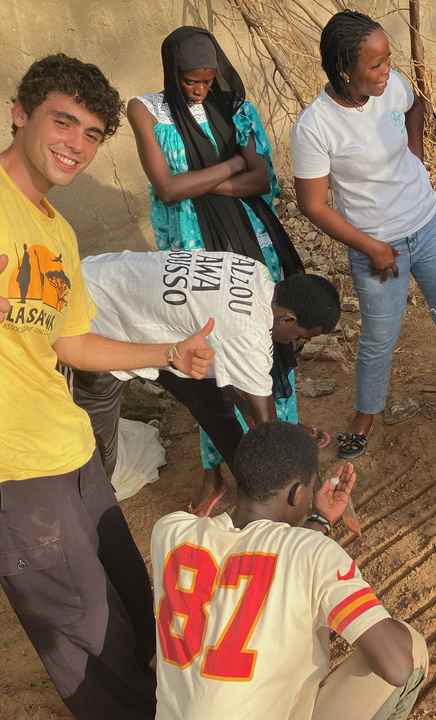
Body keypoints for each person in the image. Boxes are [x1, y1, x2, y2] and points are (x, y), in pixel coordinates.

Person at [0, 55, 218, 719]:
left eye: (92, 135)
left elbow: (74, 343)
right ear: (20, 114)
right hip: (0, 466)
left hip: (69, 449)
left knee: (135, 610)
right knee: (88, 633)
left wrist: (167, 352)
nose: (78, 145)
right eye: (64, 122)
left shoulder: (55, 230)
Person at [292, 10, 436, 459]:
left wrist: (416, 155)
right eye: (376, 65)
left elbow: (414, 103)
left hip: (430, 224)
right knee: (380, 337)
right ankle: (366, 413)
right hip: (378, 248)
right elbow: (312, 204)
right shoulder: (315, 127)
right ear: (345, 70)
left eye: (388, 60)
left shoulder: (389, 87)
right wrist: (371, 247)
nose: (387, 73)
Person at [128, 26, 307, 499]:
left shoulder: (236, 108)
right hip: (194, 255)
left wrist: (199, 179)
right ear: (173, 72)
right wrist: (232, 166)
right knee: (207, 356)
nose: (201, 89)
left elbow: (261, 181)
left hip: (250, 243)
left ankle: (282, 457)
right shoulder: (147, 111)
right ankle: (216, 470)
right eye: (191, 80)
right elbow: (166, 189)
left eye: (207, 80)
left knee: (262, 347)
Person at [151, 421, 429, 719]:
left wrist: (319, 520)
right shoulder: (314, 555)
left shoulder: (170, 532)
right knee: (411, 646)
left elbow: (254, 556)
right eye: (310, 489)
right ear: (298, 495)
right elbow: (397, 667)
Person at [68, 250, 340, 515]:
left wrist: (248, 408)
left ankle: (254, 498)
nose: (295, 342)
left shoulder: (254, 270)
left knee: (214, 405)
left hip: (141, 304)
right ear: (288, 319)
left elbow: (245, 398)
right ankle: (87, 519)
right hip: (91, 319)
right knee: (96, 453)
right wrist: (309, 485)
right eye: (298, 336)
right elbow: (269, 431)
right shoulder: (248, 334)